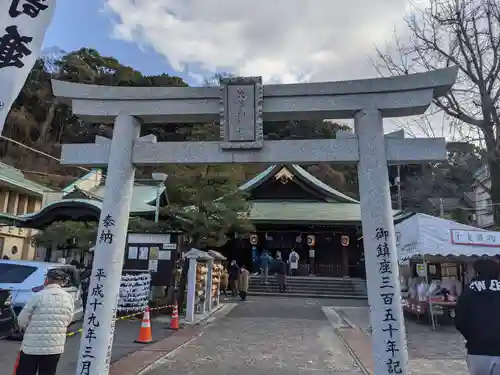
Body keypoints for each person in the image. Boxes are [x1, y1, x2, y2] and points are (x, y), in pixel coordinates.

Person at [16, 268, 75, 375]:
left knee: (25, 371)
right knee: (48, 372)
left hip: (32, 346)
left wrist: (24, 329)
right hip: (55, 346)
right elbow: (69, 318)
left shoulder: (38, 296)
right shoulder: (68, 298)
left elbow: (21, 320)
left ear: (47, 280)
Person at [455, 258, 500, 375]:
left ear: (476, 271)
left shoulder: (469, 291)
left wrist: (472, 337)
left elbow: (459, 320)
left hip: (477, 350)